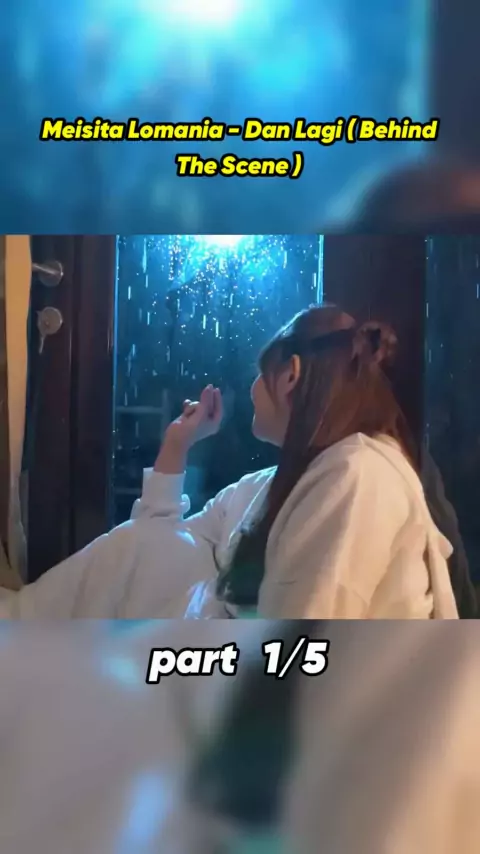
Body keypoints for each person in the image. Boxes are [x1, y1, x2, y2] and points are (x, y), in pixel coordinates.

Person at [0, 304, 458, 619]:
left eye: (259, 375)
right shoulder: (271, 485)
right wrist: (178, 445)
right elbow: (157, 541)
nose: (252, 389)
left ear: (290, 376)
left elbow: (304, 648)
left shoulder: (356, 476)